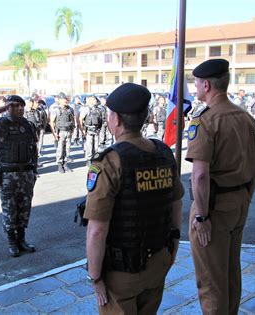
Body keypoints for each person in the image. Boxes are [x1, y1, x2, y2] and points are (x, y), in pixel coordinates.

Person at [84, 83, 184, 314]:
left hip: (122, 272)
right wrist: (174, 245)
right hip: (158, 260)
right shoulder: (163, 152)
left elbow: (97, 229)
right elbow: (176, 202)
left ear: (116, 119)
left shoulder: (109, 162)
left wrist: (95, 277)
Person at [185, 59, 255, 314]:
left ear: (206, 84)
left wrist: (202, 215)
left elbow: (200, 175)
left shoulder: (205, 120)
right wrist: (247, 195)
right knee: (230, 271)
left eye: (196, 83)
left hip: (214, 208)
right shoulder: (244, 116)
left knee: (211, 280)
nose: (194, 87)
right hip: (238, 201)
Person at [0, 95, 38, 257]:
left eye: (21, 105)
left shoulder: (28, 125)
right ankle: (12, 241)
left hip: (26, 173)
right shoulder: (0, 124)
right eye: (15, 105)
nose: (19, 108)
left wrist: (34, 171)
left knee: (24, 208)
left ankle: (21, 239)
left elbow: (33, 149)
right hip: (7, 175)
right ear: (8, 108)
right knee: (10, 209)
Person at [50, 92, 75, 173]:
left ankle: (65, 164)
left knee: (67, 149)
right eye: (64, 99)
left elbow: (72, 120)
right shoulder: (56, 109)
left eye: (66, 99)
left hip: (68, 131)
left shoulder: (70, 109)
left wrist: (72, 130)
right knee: (60, 149)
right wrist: (54, 133)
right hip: (60, 132)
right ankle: (60, 165)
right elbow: (52, 122)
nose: (66, 100)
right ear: (60, 100)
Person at [80, 95, 103, 166]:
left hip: (96, 130)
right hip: (89, 130)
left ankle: (94, 159)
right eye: (93, 99)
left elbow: (100, 119)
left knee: (96, 146)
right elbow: (80, 119)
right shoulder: (86, 109)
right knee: (89, 146)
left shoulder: (98, 109)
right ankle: (89, 160)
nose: (95, 100)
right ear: (89, 101)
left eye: (95, 99)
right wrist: (82, 130)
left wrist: (99, 128)